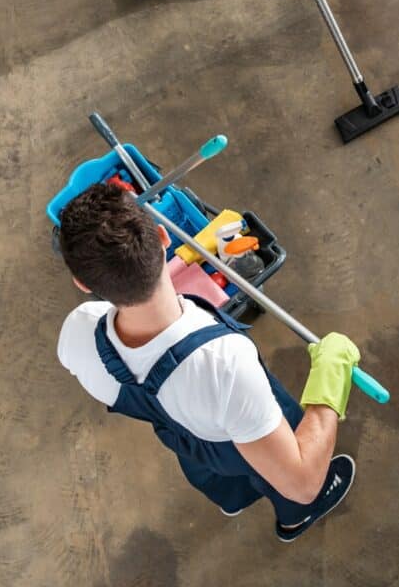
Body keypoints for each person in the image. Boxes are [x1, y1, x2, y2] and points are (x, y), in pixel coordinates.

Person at [56, 182, 359, 541]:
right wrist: (331, 376)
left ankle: (233, 496)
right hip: (228, 429)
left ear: (82, 283)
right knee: (276, 466)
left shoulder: (78, 331)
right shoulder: (225, 365)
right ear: (164, 238)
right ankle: (295, 519)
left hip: (186, 434)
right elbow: (302, 481)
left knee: (206, 458)